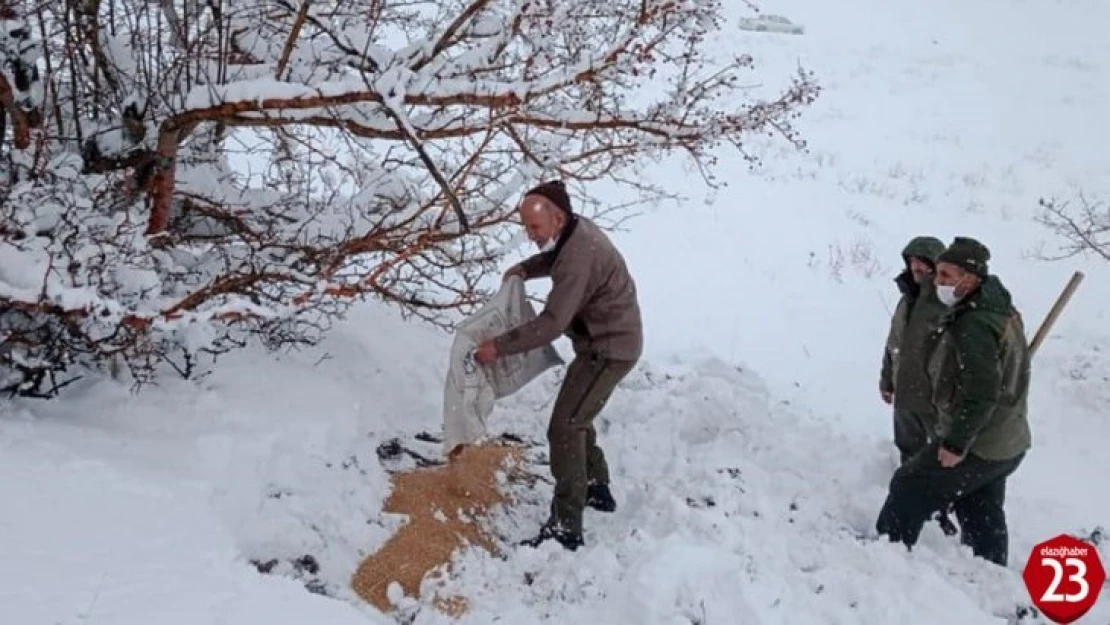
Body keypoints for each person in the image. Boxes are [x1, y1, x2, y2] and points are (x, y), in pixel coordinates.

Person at [473, 180, 643, 551]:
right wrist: (525, 267)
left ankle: (566, 525)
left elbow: (552, 322)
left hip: (609, 350)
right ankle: (597, 488)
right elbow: (554, 256)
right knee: (578, 414)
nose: (529, 234)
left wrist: (498, 347)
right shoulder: (573, 232)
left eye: (534, 227)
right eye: (526, 227)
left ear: (558, 217)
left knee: (565, 427)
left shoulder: (579, 257)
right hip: (604, 343)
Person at [875, 237, 1032, 567]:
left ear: (970, 279)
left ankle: (883, 561)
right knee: (980, 507)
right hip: (1007, 440)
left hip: (980, 442)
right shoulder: (999, 310)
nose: (938, 282)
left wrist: (956, 443)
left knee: (908, 484)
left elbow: (981, 390)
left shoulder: (973, 324)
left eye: (945, 275)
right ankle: (989, 576)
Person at [879, 236, 958, 536]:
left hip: (933, 398)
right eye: (912, 262)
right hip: (905, 395)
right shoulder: (906, 300)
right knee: (908, 450)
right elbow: (893, 344)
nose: (916, 268)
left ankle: (942, 510)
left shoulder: (945, 303)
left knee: (939, 459)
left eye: (923, 263)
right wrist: (887, 379)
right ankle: (912, 506)